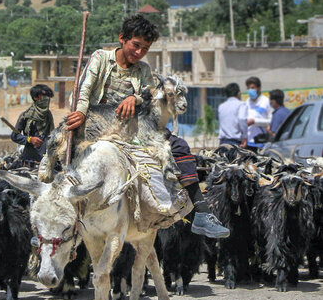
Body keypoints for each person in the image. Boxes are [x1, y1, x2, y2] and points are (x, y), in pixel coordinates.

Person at [65, 14, 229, 239]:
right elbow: (83, 89)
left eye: (145, 48)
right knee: (58, 146)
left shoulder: (143, 70)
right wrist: (81, 112)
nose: (139, 52)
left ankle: (201, 213)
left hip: (131, 128)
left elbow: (150, 94)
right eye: (136, 45)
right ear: (122, 39)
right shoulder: (100, 58)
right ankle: (54, 212)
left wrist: (135, 98)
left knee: (179, 145)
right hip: (95, 123)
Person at [10, 84, 55, 163]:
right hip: (30, 160)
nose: (47, 99)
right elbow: (14, 136)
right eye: (44, 96)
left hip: (46, 160)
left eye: (48, 96)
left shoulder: (48, 115)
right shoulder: (25, 116)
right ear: (36, 97)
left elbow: (52, 134)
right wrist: (29, 139)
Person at [245, 76, 272, 151]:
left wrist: (255, 121)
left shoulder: (266, 101)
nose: (250, 90)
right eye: (248, 88)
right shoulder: (247, 102)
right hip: (248, 142)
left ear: (259, 88)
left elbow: (271, 121)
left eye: (253, 88)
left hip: (262, 142)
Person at [218, 82, 248, 147]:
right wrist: (245, 137)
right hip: (235, 142)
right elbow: (242, 119)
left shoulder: (221, 106)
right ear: (239, 93)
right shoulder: (241, 105)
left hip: (222, 143)